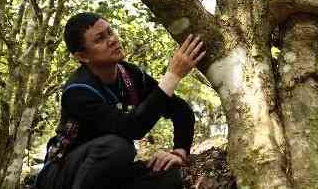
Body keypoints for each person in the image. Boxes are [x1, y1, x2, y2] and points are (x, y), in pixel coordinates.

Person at [35, 12, 205, 189]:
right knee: (118, 146)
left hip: (107, 173)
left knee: (170, 177)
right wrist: (173, 75)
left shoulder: (131, 75)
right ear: (82, 57)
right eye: (100, 39)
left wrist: (179, 152)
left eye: (110, 32)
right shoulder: (78, 91)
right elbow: (131, 128)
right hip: (62, 175)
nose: (112, 40)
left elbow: (180, 110)